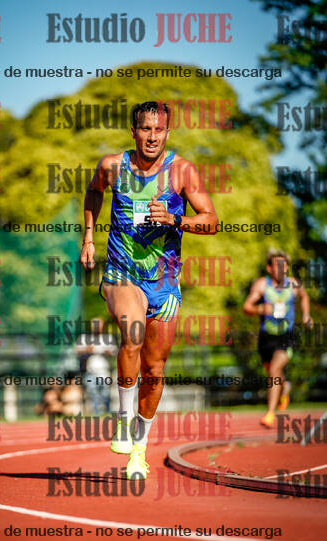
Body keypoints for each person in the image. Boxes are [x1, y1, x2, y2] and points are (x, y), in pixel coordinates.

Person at [79, 101, 218, 478]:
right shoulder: (112, 166)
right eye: (145, 129)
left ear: (168, 133)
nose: (152, 137)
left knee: (154, 369)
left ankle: (139, 448)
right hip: (122, 272)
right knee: (133, 333)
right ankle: (123, 421)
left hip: (164, 283)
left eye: (159, 130)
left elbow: (211, 221)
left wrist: (175, 219)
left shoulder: (182, 171)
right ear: (133, 131)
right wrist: (89, 238)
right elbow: (94, 192)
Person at [243, 249, 313, 428]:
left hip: (286, 335)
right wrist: (260, 309)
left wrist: (306, 315)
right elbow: (247, 306)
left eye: (284, 265)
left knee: (274, 370)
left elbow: (304, 296)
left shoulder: (294, 284)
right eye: (277, 265)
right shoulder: (261, 285)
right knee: (272, 372)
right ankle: (285, 387)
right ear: (269, 268)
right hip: (266, 337)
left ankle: (270, 413)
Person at [74, 318, 117, 414]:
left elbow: (114, 352)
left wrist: (105, 352)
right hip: (90, 371)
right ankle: (96, 413)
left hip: (104, 370)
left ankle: (107, 412)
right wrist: (87, 350)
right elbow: (77, 350)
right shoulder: (85, 338)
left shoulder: (108, 338)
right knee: (93, 393)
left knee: (105, 393)